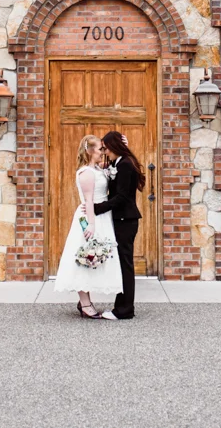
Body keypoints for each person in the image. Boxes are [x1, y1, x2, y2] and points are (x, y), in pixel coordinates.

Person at [53, 135, 122, 318]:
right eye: (100, 149)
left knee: (95, 256)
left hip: (102, 215)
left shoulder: (98, 169)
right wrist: (91, 224)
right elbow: (89, 200)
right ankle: (85, 303)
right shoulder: (86, 173)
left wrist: (123, 146)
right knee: (85, 256)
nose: (103, 152)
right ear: (90, 151)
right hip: (91, 217)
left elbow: (113, 168)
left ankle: (85, 301)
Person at [82, 130, 144, 320]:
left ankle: (124, 310)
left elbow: (123, 196)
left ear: (114, 147)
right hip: (121, 220)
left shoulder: (125, 164)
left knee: (126, 265)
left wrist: (97, 208)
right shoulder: (119, 163)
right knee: (122, 264)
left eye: (106, 147)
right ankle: (121, 307)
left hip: (125, 220)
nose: (105, 151)